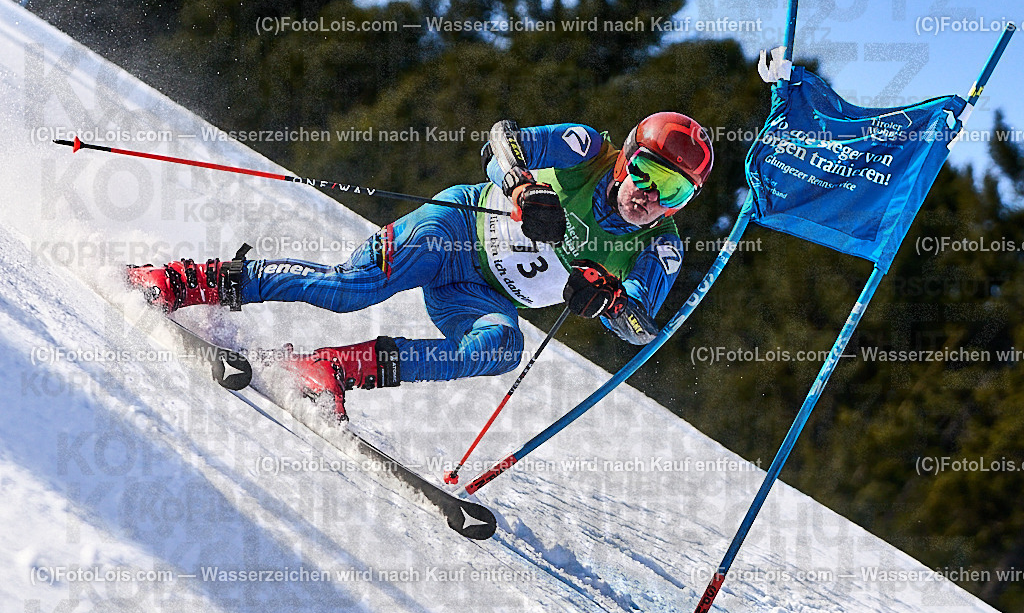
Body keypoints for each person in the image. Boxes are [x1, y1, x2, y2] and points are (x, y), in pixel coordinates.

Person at [127, 112, 714, 420]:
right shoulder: (586, 150)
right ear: (626, 158)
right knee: (349, 289)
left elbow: (640, 328)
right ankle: (185, 281)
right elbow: (500, 141)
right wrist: (522, 190)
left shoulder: (659, 246)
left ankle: (329, 370)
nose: (649, 195)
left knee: (499, 349)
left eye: (673, 191)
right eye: (645, 170)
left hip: (486, 295)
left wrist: (609, 300)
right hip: (456, 231)